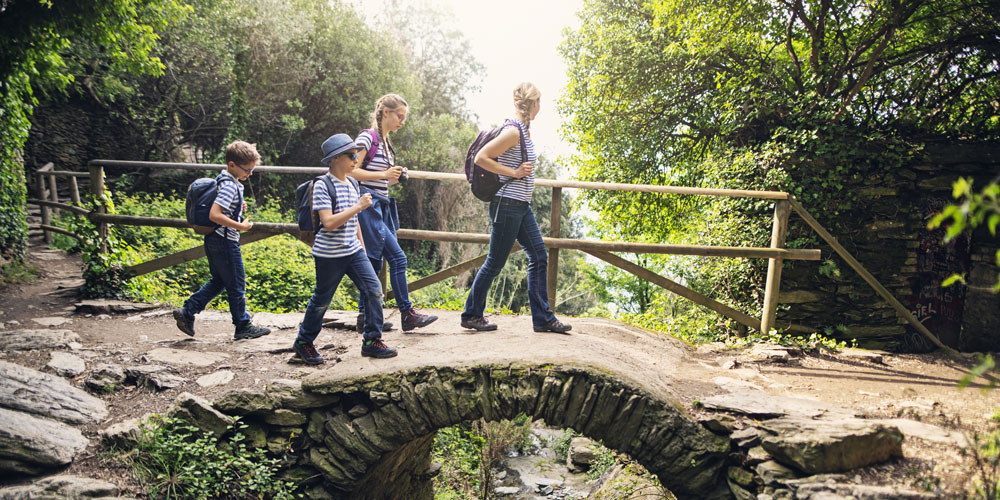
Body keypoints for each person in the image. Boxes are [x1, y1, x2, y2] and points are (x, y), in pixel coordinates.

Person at [460, 83, 572, 334]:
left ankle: (542, 319)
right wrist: (513, 172)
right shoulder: (513, 132)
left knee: (538, 255)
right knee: (495, 261)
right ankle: (471, 314)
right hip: (507, 204)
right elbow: (481, 158)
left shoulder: (523, 131)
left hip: (521, 205)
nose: (540, 107)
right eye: (539, 102)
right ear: (531, 103)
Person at [292, 133, 397, 364]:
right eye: (350, 155)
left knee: (373, 290)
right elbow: (328, 222)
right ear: (335, 159)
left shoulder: (351, 182)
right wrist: (358, 206)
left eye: (355, 154)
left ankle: (372, 340)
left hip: (353, 250)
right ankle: (303, 342)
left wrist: (360, 244)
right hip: (329, 254)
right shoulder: (322, 185)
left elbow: (355, 219)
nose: (355, 159)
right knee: (322, 300)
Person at [351, 93, 438, 332]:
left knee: (374, 262)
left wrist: (395, 176)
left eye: (404, 118)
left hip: (381, 207)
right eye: (399, 116)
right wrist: (384, 174)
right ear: (385, 112)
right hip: (369, 208)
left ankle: (365, 317)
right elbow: (350, 170)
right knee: (397, 259)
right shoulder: (367, 137)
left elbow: (382, 181)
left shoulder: (386, 143)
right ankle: (407, 314)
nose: (402, 121)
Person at [173, 141, 272, 340]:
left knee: (220, 281)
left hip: (214, 241)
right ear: (232, 164)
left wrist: (237, 206)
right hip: (225, 241)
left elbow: (223, 206)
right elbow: (215, 214)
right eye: (247, 170)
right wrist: (241, 226)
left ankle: (188, 311)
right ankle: (242, 325)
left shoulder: (225, 179)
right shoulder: (229, 185)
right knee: (237, 282)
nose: (250, 174)